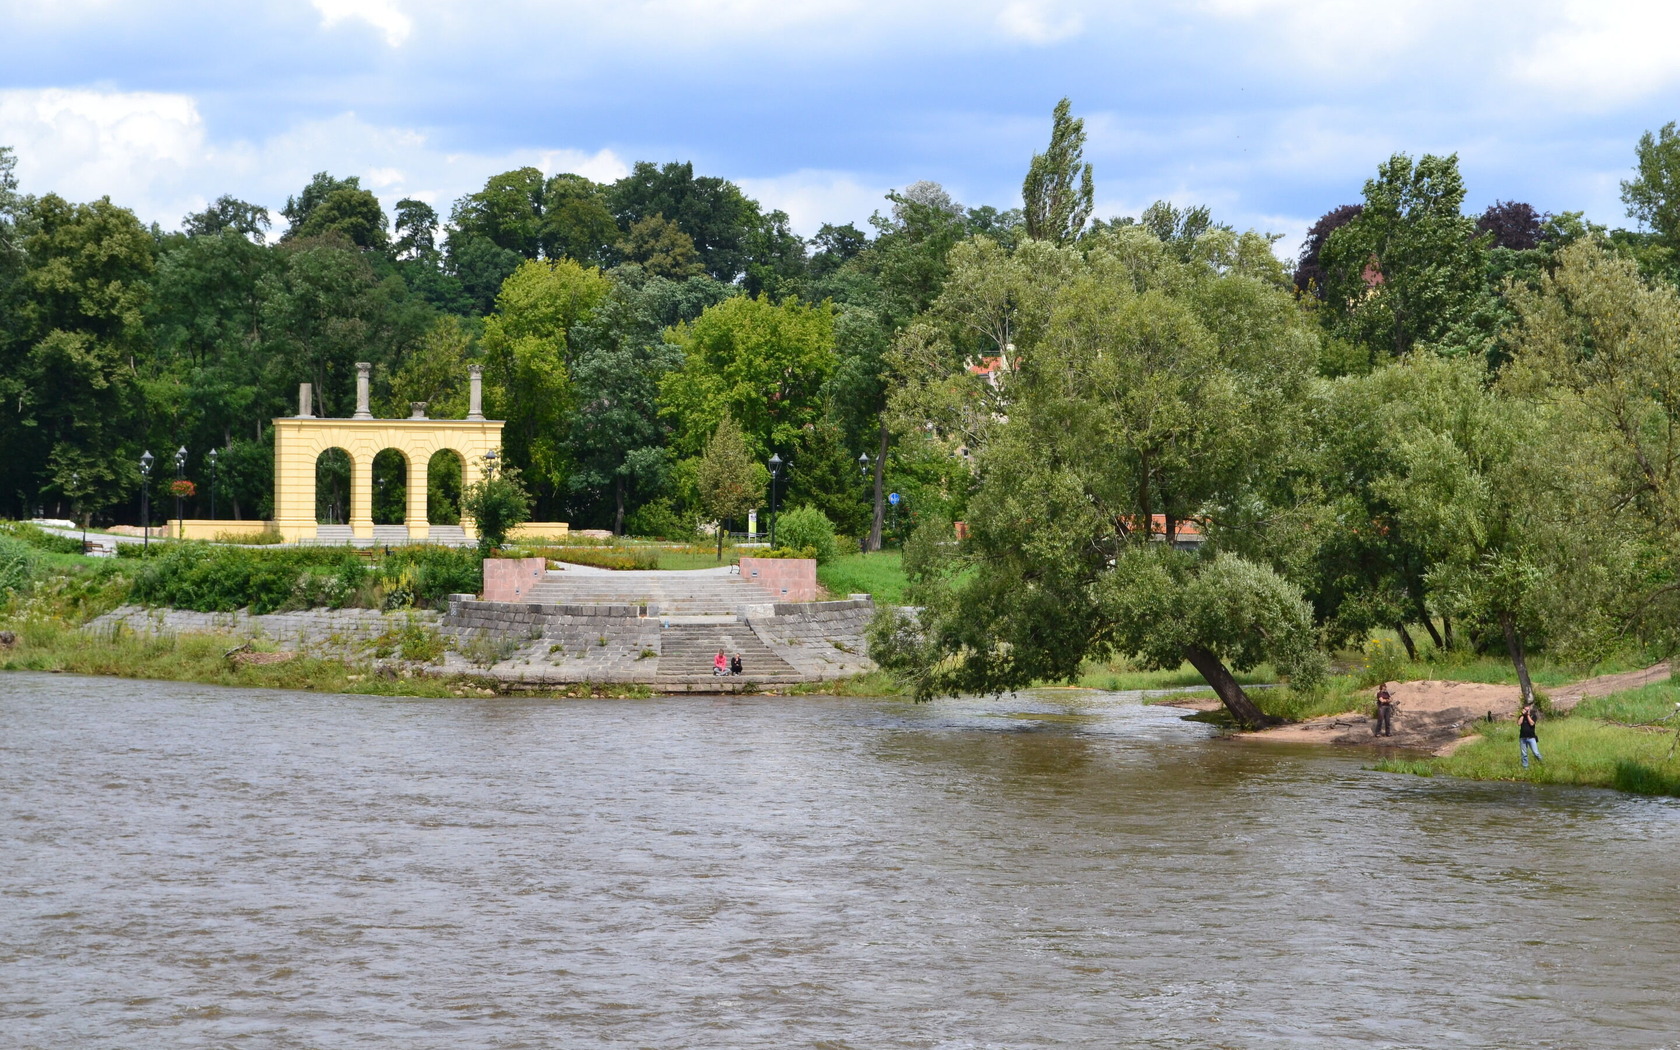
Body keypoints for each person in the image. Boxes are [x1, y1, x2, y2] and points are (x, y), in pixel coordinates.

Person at [1518, 701, 1542, 769]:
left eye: (1527, 709)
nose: (1526, 711)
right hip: (1522, 738)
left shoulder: (1533, 716)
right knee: (1524, 754)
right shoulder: (1521, 716)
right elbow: (1519, 723)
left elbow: (1532, 723)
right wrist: (1523, 715)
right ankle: (1525, 767)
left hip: (1531, 737)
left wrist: (1528, 715)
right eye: (1525, 709)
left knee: (1536, 753)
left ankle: (1542, 763)